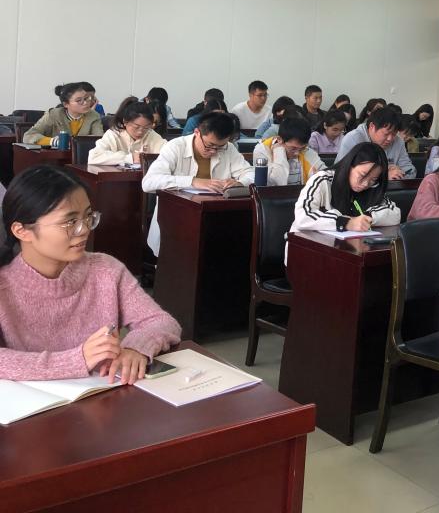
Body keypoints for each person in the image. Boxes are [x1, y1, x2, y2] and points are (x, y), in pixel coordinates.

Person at [0, 165, 180, 382]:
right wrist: (77, 360)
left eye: (87, 217)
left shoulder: (105, 270)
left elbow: (161, 321)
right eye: (70, 222)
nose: (84, 229)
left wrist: (136, 348)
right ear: (21, 231)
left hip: (104, 394)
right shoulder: (5, 287)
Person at [141, 112, 255, 253]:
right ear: (197, 133)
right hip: (177, 218)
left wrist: (240, 183)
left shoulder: (229, 148)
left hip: (215, 217)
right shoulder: (175, 147)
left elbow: (251, 173)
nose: (213, 151)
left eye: (220, 147)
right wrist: (193, 181)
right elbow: (149, 182)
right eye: (209, 145)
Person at [290, 142, 400, 242]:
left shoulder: (373, 187)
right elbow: (302, 216)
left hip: (346, 248)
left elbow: (394, 213)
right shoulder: (323, 180)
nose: (366, 183)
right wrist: (345, 222)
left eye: (373, 179)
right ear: (350, 165)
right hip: (307, 246)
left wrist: (365, 218)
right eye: (362, 175)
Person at [337, 107, 415, 179]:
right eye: (386, 134)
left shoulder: (398, 141)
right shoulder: (353, 139)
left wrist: (399, 173)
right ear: (372, 127)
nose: (390, 139)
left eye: (394, 134)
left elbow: (411, 171)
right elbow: (342, 172)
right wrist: (384, 175)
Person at [88, 98, 166, 166]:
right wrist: (130, 158)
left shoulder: (150, 134)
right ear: (125, 122)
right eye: (136, 127)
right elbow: (94, 157)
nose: (140, 132)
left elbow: (168, 152)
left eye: (146, 127)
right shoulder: (114, 134)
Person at [252, 118, 326, 187]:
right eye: (293, 148)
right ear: (279, 140)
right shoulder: (262, 150)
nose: (297, 153)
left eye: (302, 148)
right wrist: (279, 152)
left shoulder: (305, 150)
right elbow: (276, 183)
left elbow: (325, 174)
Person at [24, 83, 104, 146]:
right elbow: (29, 135)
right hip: (56, 157)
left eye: (86, 98)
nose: (86, 103)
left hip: (83, 157)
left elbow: (100, 138)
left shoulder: (94, 115)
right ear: (66, 104)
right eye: (79, 100)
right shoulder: (53, 114)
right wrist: (52, 141)